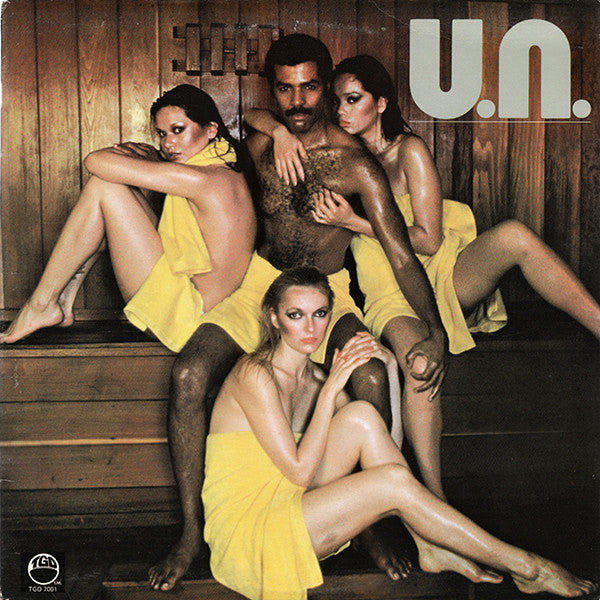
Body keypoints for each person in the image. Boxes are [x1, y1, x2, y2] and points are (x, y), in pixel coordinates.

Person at [148, 34, 449, 591]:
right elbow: (225, 132)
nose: (298, 101)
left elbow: (402, 254)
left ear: (326, 87)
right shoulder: (261, 143)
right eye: (285, 90)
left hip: (326, 292)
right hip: (258, 285)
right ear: (272, 91)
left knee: (371, 373)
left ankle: (369, 525)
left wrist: (435, 332)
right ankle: (191, 531)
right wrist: (275, 131)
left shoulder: (357, 164)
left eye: (310, 87)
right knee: (188, 374)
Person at [245, 54, 600, 502]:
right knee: (418, 365)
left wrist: (353, 222)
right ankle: (434, 497)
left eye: (353, 100)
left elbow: (429, 242)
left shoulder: (408, 150)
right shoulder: (339, 156)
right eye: (336, 101)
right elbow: (256, 115)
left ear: (380, 103)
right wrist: (278, 131)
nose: (341, 111)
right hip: (389, 293)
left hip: (439, 272)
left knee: (514, 235)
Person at [202, 265, 596, 600]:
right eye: (295, 315)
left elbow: (382, 446)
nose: (310, 327)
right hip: (251, 533)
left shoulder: (316, 378)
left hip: (290, 505)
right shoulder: (255, 375)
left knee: (361, 416)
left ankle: (426, 543)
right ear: (274, 318)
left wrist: (388, 368)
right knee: (388, 477)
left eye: (320, 314)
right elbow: (301, 472)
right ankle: (526, 567)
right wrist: (332, 390)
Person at [0, 85, 256, 353]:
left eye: (178, 130)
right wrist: (152, 156)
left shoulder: (202, 179)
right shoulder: (223, 169)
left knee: (104, 186)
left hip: (186, 320)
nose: (168, 144)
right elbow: (152, 165)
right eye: (162, 134)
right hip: (197, 309)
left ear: (211, 130)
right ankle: (60, 300)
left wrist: (138, 155)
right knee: (112, 191)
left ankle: (42, 303)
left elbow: (95, 161)